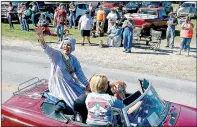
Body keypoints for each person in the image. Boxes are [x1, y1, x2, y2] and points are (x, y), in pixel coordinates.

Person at [35, 27, 90, 110]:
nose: (66, 47)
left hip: (70, 83)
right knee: (71, 104)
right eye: (65, 44)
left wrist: (87, 84)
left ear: (72, 47)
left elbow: (80, 74)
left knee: (82, 98)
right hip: (58, 85)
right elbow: (46, 48)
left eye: (69, 45)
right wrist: (41, 37)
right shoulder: (57, 55)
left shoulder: (74, 59)